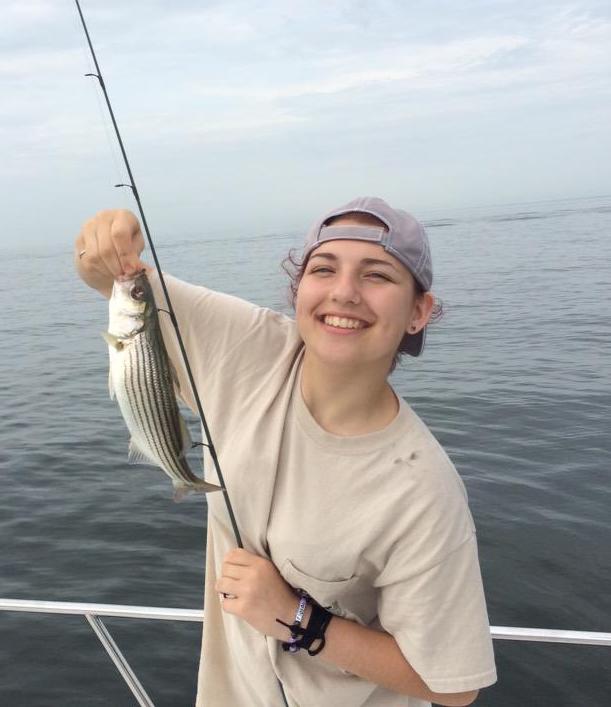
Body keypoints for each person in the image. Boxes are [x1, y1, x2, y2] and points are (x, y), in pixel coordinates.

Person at [75, 197, 497, 707]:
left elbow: (452, 687)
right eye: (323, 269)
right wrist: (110, 242)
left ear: (418, 312)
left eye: (377, 275)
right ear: (298, 292)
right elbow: (117, 282)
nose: (344, 292)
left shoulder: (421, 487)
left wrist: (298, 617)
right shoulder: (248, 348)